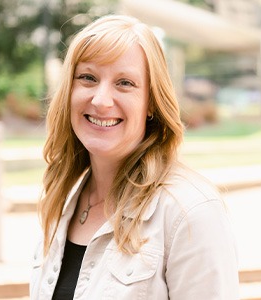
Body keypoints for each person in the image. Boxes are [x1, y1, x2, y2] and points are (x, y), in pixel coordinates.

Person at [30, 14, 239, 299]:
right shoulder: (61, 199)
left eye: (125, 83)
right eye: (88, 78)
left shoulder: (189, 213)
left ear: (151, 103)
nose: (101, 100)